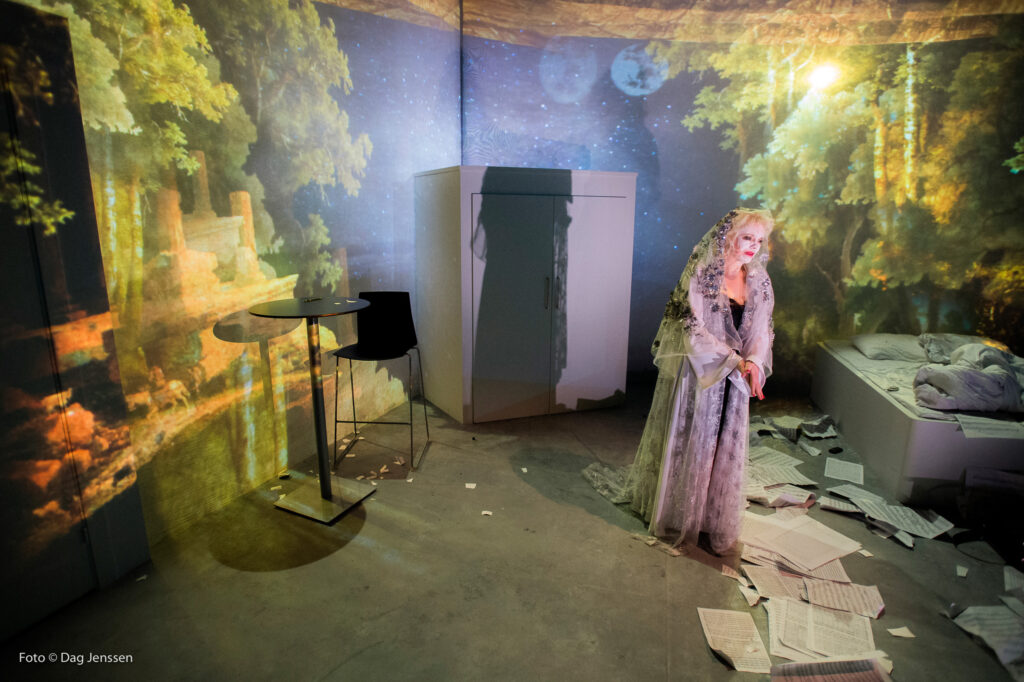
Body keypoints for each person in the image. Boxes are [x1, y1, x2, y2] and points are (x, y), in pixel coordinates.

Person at [624, 208, 774, 554]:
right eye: (747, 237)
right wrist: (734, 361)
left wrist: (753, 362)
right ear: (728, 236)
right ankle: (681, 513)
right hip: (701, 375)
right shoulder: (703, 273)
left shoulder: (759, 280)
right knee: (695, 442)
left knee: (722, 445)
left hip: (735, 379)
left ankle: (710, 517)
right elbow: (692, 330)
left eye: (759, 240)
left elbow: (762, 329)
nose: (753, 246)